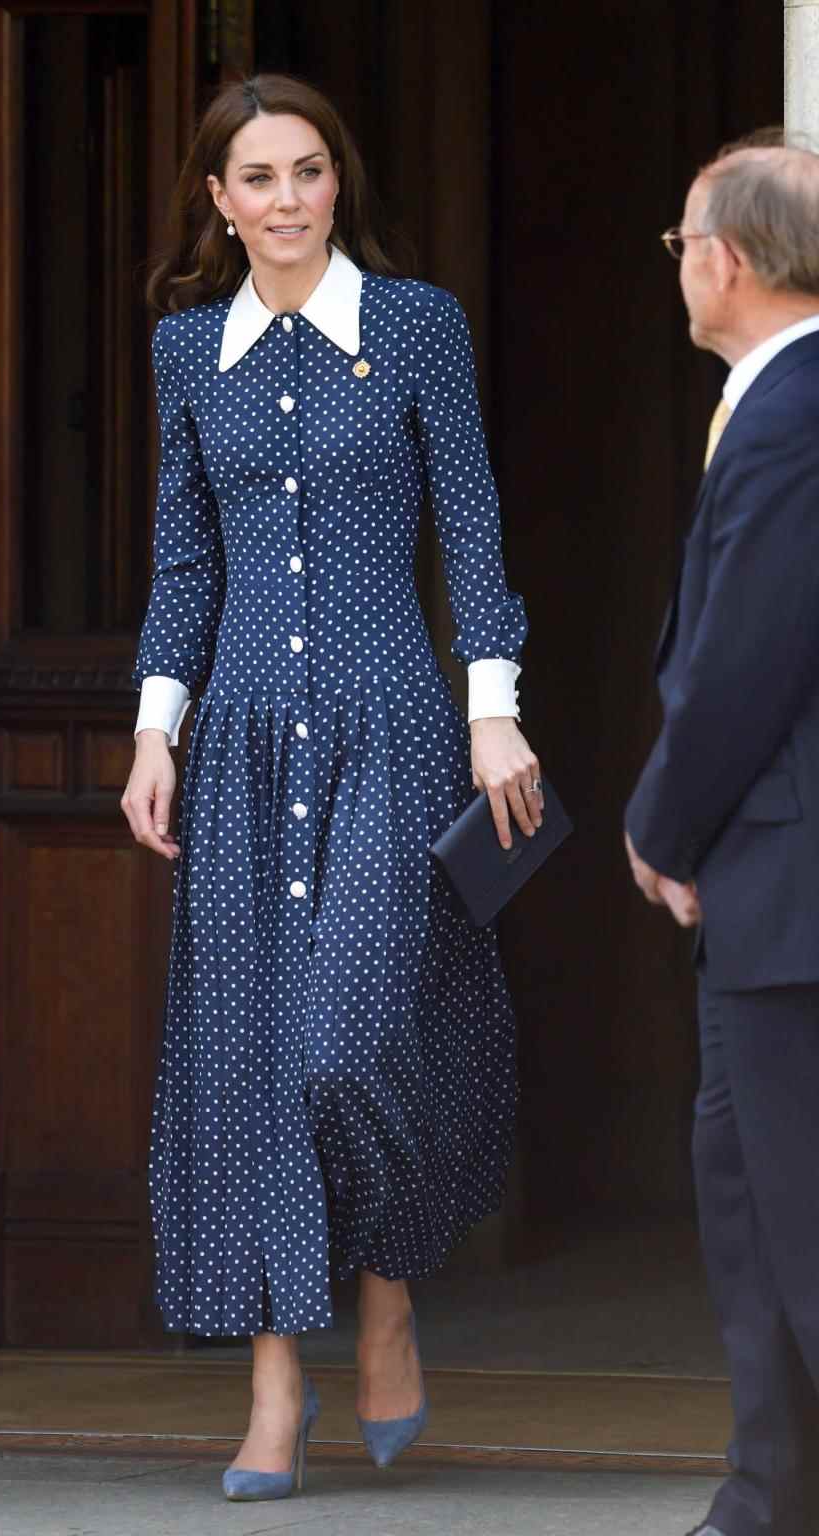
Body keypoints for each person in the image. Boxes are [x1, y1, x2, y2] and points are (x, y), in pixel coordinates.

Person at [120, 74, 540, 1502]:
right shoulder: (189, 353)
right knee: (248, 1067)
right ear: (220, 203)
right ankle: (273, 1384)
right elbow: (185, 561)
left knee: (347, 1048)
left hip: (390, 729)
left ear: (334, 184)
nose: (289, 200)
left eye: (308, 172)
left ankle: (387, 1293)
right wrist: (150, 731)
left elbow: (473, 529)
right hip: (236, 739)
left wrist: (496, 714)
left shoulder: (416, 327)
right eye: (259, 179)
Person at [626, 140, 819, 1536]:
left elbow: (747, 660)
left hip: (788, 880)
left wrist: (659, 824)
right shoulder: (772, 400)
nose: (680, 261)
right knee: (750, 1200)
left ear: (728, 258)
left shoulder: (796, 409)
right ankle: (767, 1496)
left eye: (682, 239)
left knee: (798, 1222)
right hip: (768, 889)